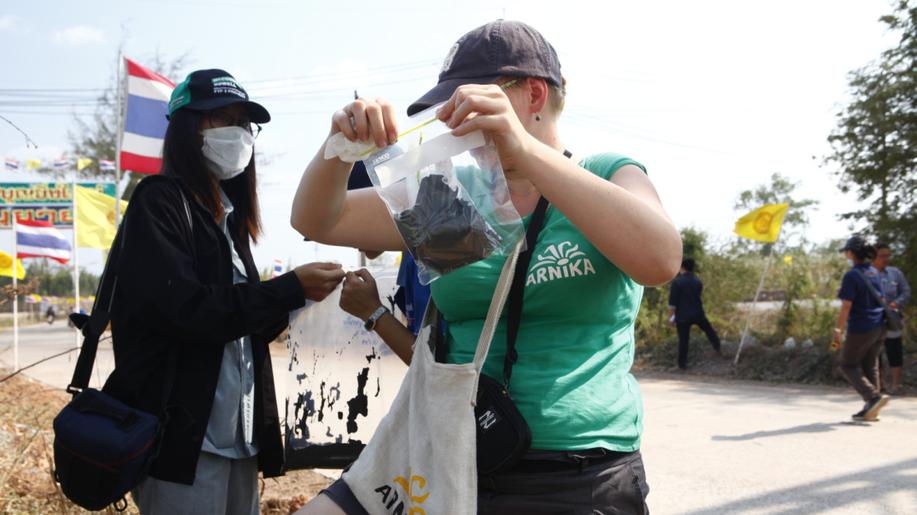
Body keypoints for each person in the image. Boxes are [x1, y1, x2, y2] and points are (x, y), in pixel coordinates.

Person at [291, 20, 681, 514]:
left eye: (466, 104)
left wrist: (527, 153)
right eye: (446, 110)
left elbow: (660, 260)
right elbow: (318, 220)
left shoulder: (604, 175)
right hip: (456, 460)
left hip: (579, 473)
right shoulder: (456, 197)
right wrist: (338, 149)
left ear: (533, 95)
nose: (453, 123)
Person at [102, 69, 345, 514]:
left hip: (239, 438)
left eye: (244, 123)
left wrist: (306, 296)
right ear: (187, 129)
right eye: (221, 119)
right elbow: (188, 311)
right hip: (183, 442)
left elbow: (240, 325)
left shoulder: (231, 222)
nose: (238, 134)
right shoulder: (159, 203)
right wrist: (289, 289)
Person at [833, 235, 890, 421]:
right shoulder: (874, 272)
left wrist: (838, 330)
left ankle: (873, 397)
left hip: (862, 326)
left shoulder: (852, 275)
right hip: (880, 325)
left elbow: (846, 305)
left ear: (851, 253)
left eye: (846, 250)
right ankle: (871, 408)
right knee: (869, 363)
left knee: (847, 364)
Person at [668, 258, 721, 369]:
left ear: (682, 267)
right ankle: (718, 347)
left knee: (684, 340)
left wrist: (671, 317)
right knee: (709, 331)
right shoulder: (697, 281)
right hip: (698, 313)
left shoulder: (677, 282)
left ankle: (682, 365)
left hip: (682, 316)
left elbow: (672, 303)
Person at [873, 242, 910, 394]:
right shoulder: (867, 274)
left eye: (888, 255)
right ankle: (877, 386)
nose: (886, 259)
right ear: (873, 257)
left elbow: (906, 292)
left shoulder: (895, 273)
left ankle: (896, 386)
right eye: (882, 256)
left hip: (892, 318)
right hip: (873, 320)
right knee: (874, 354)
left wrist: (896, 303)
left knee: (894, 351)